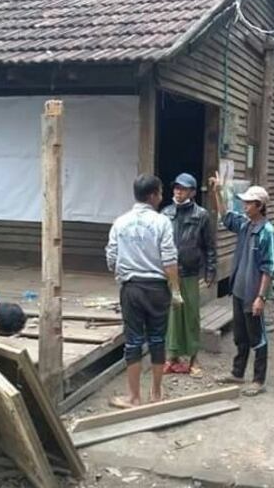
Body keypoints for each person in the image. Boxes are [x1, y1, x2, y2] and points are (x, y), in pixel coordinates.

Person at [105, 174, 183, 406]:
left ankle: (133, 397)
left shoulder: (120, 222)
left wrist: (122, 273)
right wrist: (176, 291)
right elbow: (169, 260)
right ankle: (156, 394)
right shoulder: (162, 222)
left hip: (132, 288)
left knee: (133, 341)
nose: (162, 196)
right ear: (152, 196)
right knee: (158, 340)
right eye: (160, 192)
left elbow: (111, 255)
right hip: (158, 289)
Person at [209, 172, 274, 396]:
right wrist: (218, 192)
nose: (244, 206)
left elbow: (269, 268)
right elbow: (226, 216)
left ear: (259, 206)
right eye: (244, 203)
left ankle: (258, 380)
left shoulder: (267, 232)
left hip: (253, 293)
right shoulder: (246, 225)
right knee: (240, 335)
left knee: (257, 337)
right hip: (238, 290)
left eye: (248, 203)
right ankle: (237, 373)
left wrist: (261, 297)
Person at [161, 172, 217, 378]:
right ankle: (171, 358)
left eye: (183, 188)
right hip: (169, 272)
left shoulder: (201, 215)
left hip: (191, 272)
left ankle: (193, 358)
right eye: (176, 187)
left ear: (192, 192)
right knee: (172, 316)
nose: (178, 191)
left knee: (191, 315)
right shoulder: (165, 213)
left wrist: (210, 270)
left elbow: (210, 246)